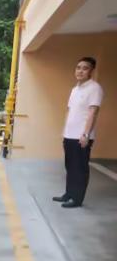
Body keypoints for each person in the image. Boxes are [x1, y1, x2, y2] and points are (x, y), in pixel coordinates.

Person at [53, 57, 103, 208]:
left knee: (80, 168)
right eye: (78, 67)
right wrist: (64, 130)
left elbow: (92, 112)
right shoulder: (75, 90)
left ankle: (77, 199)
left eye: (85, 68)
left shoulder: (94, 88)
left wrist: (86, 134)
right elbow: (70, 111)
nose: (80, 71)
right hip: (69, 135)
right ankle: (69, 193)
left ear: (91, 71)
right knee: (69, 166)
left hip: (82, 137)